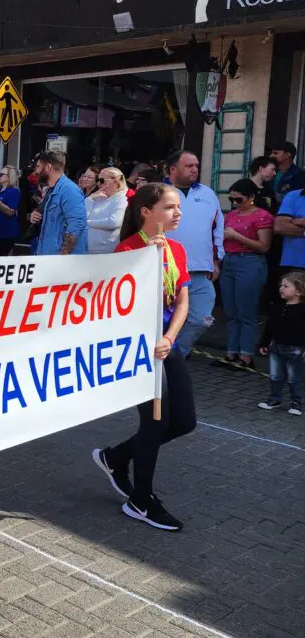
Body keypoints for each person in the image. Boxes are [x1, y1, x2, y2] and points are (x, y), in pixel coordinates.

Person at [91, 183, 195, 531]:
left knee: (184, 422)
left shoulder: (177, 249)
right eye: (169, 207)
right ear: (146, 212)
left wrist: (169, 337)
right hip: (139, 349)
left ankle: (115, 456)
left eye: (178, 206)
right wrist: (143, 263)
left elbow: (181, 300)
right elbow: (118, 306)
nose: (177, 213)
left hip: (167, 344)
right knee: (155, 423)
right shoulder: (127, 249)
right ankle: (141, 500)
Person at [164, 150, 223, 355]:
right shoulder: (158, 191)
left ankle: (174, 356)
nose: (195, 170)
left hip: (199, 269)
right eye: (189, 166)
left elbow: (217, 229)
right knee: (162, 320)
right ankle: (166, 367)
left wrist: (216, 260)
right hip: (165, 269)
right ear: (173, 169)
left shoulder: (208, 193)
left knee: (202, 320)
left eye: (196, 165)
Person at [219, 178, 272, 369]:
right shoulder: (230, 216)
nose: (234, 203)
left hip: (250, 262)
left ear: (251, 197)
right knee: (231, 311)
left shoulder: (262, 216)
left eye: (238, 200)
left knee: (246, 312)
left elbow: (264, 246)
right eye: (231, 199)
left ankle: (246, 355)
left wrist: (236, 236)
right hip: (230, 261)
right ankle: (231, 352)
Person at [257, 271, 305, 415]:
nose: (281, 289)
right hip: (276, 347)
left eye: (286, 286)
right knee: (275, 376)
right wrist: (264, 343)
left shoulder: (302, 310)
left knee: (293, 378)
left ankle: (296, 403)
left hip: (295, 349)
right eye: (281, 285)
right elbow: (269, 326)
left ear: (299, 291)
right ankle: (274, 399)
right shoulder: (277, 307)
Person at [29, 151, 88, 255]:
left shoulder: (69, 190)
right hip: (48, 258)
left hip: (62, 263)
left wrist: (62, 256)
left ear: (48, 167)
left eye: (38, 166)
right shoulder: (52, 190)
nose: (35, 172)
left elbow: (76, 226)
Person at [85, 167, 128, 253]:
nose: (98, 184)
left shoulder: (121, 199)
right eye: (97, 180)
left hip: (105, 252)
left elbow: (114, 222)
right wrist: (90, 199)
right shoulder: (99, 197)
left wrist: (88, 223)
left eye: (101, 180)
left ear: (116, 181)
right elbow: (82, 216)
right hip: (88, 249)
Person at [0, 166, 21, 256]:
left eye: (1, 174)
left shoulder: (14, 191)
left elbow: (10, 212)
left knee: (0, 259)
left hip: (6, 232)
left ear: (9, 177)